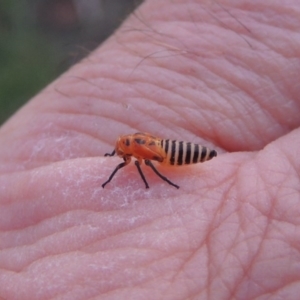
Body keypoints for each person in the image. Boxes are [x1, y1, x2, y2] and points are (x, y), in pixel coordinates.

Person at [0, 1, 299, 299]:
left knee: (151, 163)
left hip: (178, 154)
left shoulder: (135, 151)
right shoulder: (132, 144)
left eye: (120, 151)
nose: (119, 154)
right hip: (173, 150)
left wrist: (154, 181)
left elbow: (145, 165)